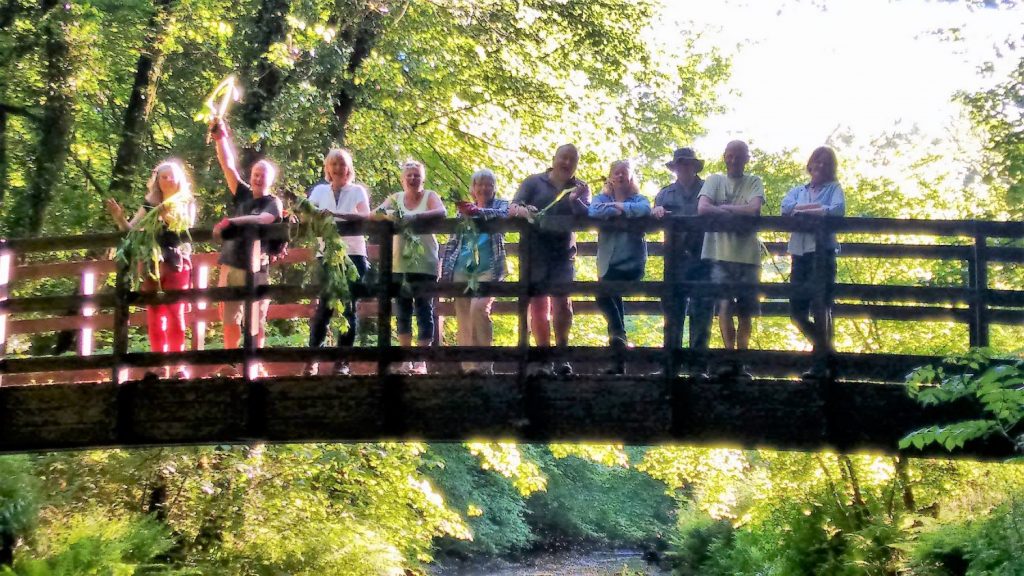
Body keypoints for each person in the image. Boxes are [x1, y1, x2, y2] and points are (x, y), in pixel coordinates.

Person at [105, 160, 196, 378]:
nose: (167, 180)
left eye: (171, 176)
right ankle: (159, 364)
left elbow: (187, 227)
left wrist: (166, 213)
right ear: (157, 181)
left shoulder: (186, 201)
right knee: (155, 314)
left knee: (176, 312)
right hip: (151, 261)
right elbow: (131, 229)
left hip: (176, 260)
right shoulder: (150, 203)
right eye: (162, 177)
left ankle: (177, 365)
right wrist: (119, 217)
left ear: (179, 178)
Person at [209, 118, 283, 376]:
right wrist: (221, 138)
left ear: (270, 179)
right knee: (229, 319)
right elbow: (227, 165)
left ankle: (254, 362)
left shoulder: (273, 202)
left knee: (257, 319)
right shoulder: (241, 193)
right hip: (231, 264)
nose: (259, 178)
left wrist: (233, 221)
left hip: (257, 266)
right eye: (256, 174)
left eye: (263, 175)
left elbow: (266, 220)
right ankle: (231, 361)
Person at [509, 144, 590, 376]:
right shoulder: (533, 182)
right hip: (534, 252)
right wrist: (526, 213)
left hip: (563, 253)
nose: (566, 163)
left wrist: (576, 201)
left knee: (563, 303)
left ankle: (562, 356)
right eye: (563, 158)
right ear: (554, 158)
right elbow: (513, 207)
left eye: (572, 160)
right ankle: (544, 359)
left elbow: (587, 216)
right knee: (538, 305)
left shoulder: (580, 187)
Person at [697, 140, 764, 376]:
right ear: (725, 157)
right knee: (724, 305)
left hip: (748, 256)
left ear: (747, 158)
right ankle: (729, 356)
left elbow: (754, 209)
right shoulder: (714, 180)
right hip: (719, 254)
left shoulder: (754, 181)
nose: (735, 160)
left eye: (740, 156)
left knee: (746, 309)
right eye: (731, 155)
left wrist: (723, 208)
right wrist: (737, 210)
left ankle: (741, 361)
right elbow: (703, 208)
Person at [304, 148, 371, 376]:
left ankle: (343, 361)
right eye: (334, 164)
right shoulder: (320, 191)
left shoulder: (357, 191)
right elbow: (309, 213)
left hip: (353, 255)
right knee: (324, 307)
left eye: (342, 164)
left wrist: (335, 216)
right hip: (326, 255)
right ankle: (313, 358)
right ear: (328, 168)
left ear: (348, 168)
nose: (338, 168)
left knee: (348, 308)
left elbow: (365, 216)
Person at [376, 160, 447, 374]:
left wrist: (413, 216)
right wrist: (388, 216)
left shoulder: (430, 196)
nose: (413, 178)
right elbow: (374, 212)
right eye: (409, 175)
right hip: (400, 264)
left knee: (425, 310)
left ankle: (421, 361)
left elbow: (441, 212)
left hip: (425, 263)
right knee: (403, 311)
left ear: (422, 178)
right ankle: (406, 359)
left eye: (417, 175)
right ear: (402, 179)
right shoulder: (395, 199)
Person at [440, 169, 509, 375]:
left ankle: (485, 363)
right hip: (462, 268)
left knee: (479, 309)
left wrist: (477, 212)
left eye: (488, 184)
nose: (484, 188)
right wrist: (445, 272)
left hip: (489, 268)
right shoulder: (462, 212)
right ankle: (469, 366)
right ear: (473, 189)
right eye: (479, 184)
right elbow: (453, 242)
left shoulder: (500, 205)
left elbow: (503, 215)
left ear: (494, 188)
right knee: (463, 315)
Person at [589, 160, 650, 375]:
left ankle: (618, 338)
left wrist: (619, 207)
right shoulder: (602, 198)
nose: (621, 176)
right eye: (617, 173)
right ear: (610, 177)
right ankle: (618, 356)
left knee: (605, 293)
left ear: (631, 177)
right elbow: (593, 210)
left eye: (625, 173)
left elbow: (645, 209)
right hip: (608, 263)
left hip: (631, 263)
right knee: (609, 297)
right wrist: (615, 208)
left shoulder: (638, 198)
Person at [781, 146, 845, 351]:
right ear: (810, 164)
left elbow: (837, 210)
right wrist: (816, 210)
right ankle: (826, 349)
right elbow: (786, 209)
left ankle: (821, 361)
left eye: (826, 162)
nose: (821, 165)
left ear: (832, 168)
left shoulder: (834, 188)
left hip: (823, 253)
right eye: (818, 160)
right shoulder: (799, 190)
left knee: (822, 305)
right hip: (799, 253)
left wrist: (803, 210)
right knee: (796, 312)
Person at [654, 148, 713, 366]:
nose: (683, 167)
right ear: (674, 167)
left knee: (702, 311)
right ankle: (670, 366)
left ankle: (699, 367)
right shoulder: (664, 194)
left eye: (687, 163)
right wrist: (656, 211)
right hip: (675, 259)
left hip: (703, 257)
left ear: (695, 166)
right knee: (673, 312)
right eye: (680, 163)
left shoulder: (709, 190)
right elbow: (652, 216)